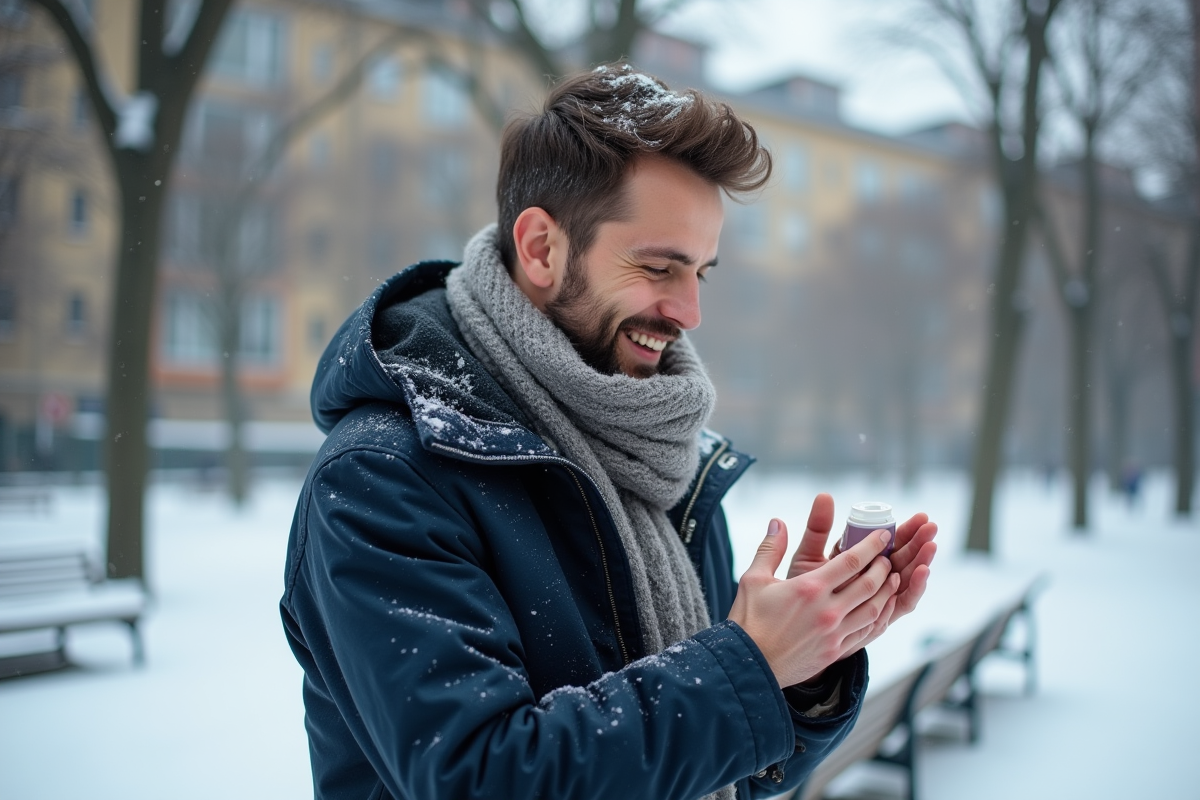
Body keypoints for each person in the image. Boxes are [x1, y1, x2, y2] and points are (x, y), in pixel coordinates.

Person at [280, 65, 938, 800]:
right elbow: (484, 779)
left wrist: (804, 665)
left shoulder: (664, 454)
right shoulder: (382, 480)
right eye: (658, 266)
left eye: (701, 274)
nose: (689, 311)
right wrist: (747, 663)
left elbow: (725, 773)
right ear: (540, 249)